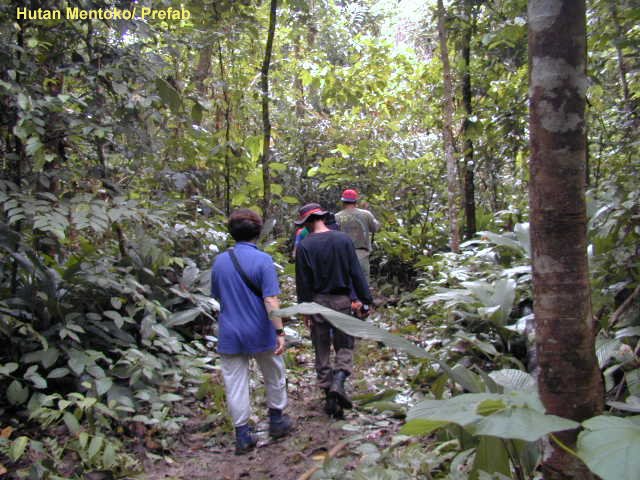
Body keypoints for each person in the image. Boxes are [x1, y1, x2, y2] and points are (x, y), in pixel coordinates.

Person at [210, 209, 293, 455]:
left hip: (230, 330)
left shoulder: (220, 261)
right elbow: (270, 299)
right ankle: (276, 420)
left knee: (235, 383)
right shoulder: (263, 260)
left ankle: (242, 435)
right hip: (260, 329)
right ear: (258, 232)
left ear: (232, 233)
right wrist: (280, 331)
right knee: (274, 372)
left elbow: (216, 295)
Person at [294, 203, 373, 418]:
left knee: (321, 348)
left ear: (309, 222)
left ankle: (329, 391)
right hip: (342, 302)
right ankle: (339, 380)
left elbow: (303, 282)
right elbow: (355, 273)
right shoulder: (343, 240)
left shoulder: (304, 247)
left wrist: (305, 309)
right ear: (322, 217)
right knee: (345, 345)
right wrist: (366, 300)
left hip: (318, 303)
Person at [335, 188, 380, 282]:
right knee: (363, 285)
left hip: (344, 256)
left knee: (347, 284)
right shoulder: (366, 214)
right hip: (362, 255)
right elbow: (375, 228)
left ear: (343, 202)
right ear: (356, 201)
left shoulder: (337, 217)